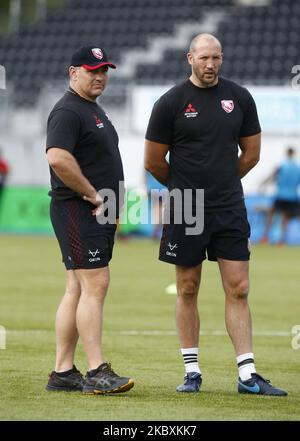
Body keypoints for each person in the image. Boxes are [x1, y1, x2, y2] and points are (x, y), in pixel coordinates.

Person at [144, 33, 287, 396]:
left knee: (238, 288)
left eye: (217, 58)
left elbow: (251, 154)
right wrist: (185, 189)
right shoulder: (170, 102)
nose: (211, 65)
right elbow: (153, 162)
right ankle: (192, 371)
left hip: (228, 206)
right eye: (204, 58)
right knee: (187, 287)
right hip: (185, 207)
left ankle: (247, 374)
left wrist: (222, 182)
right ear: (189, 57)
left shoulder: (239, 98)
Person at [45, 45, 134, 394]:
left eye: (104, 70)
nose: (100, 76)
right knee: (94, 286)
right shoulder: (68, 110)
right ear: (73, 73)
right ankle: (97, 370)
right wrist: (94, 194)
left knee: (77, 288)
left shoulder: (90, 109)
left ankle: (63, 373)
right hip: (78, 209)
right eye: (92, 69)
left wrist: (112, 204)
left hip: (93, 211)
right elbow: (57, 158)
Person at [260, 147, 300, 244]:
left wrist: (263, 185)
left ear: (287, 153)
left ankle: (265, 236)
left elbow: (271, 176)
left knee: (270, 215)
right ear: (294, 154)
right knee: (286, 218)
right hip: (293, 196)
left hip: (281, 195)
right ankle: (281, 240)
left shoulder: (282, 166)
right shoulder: (297, 168)